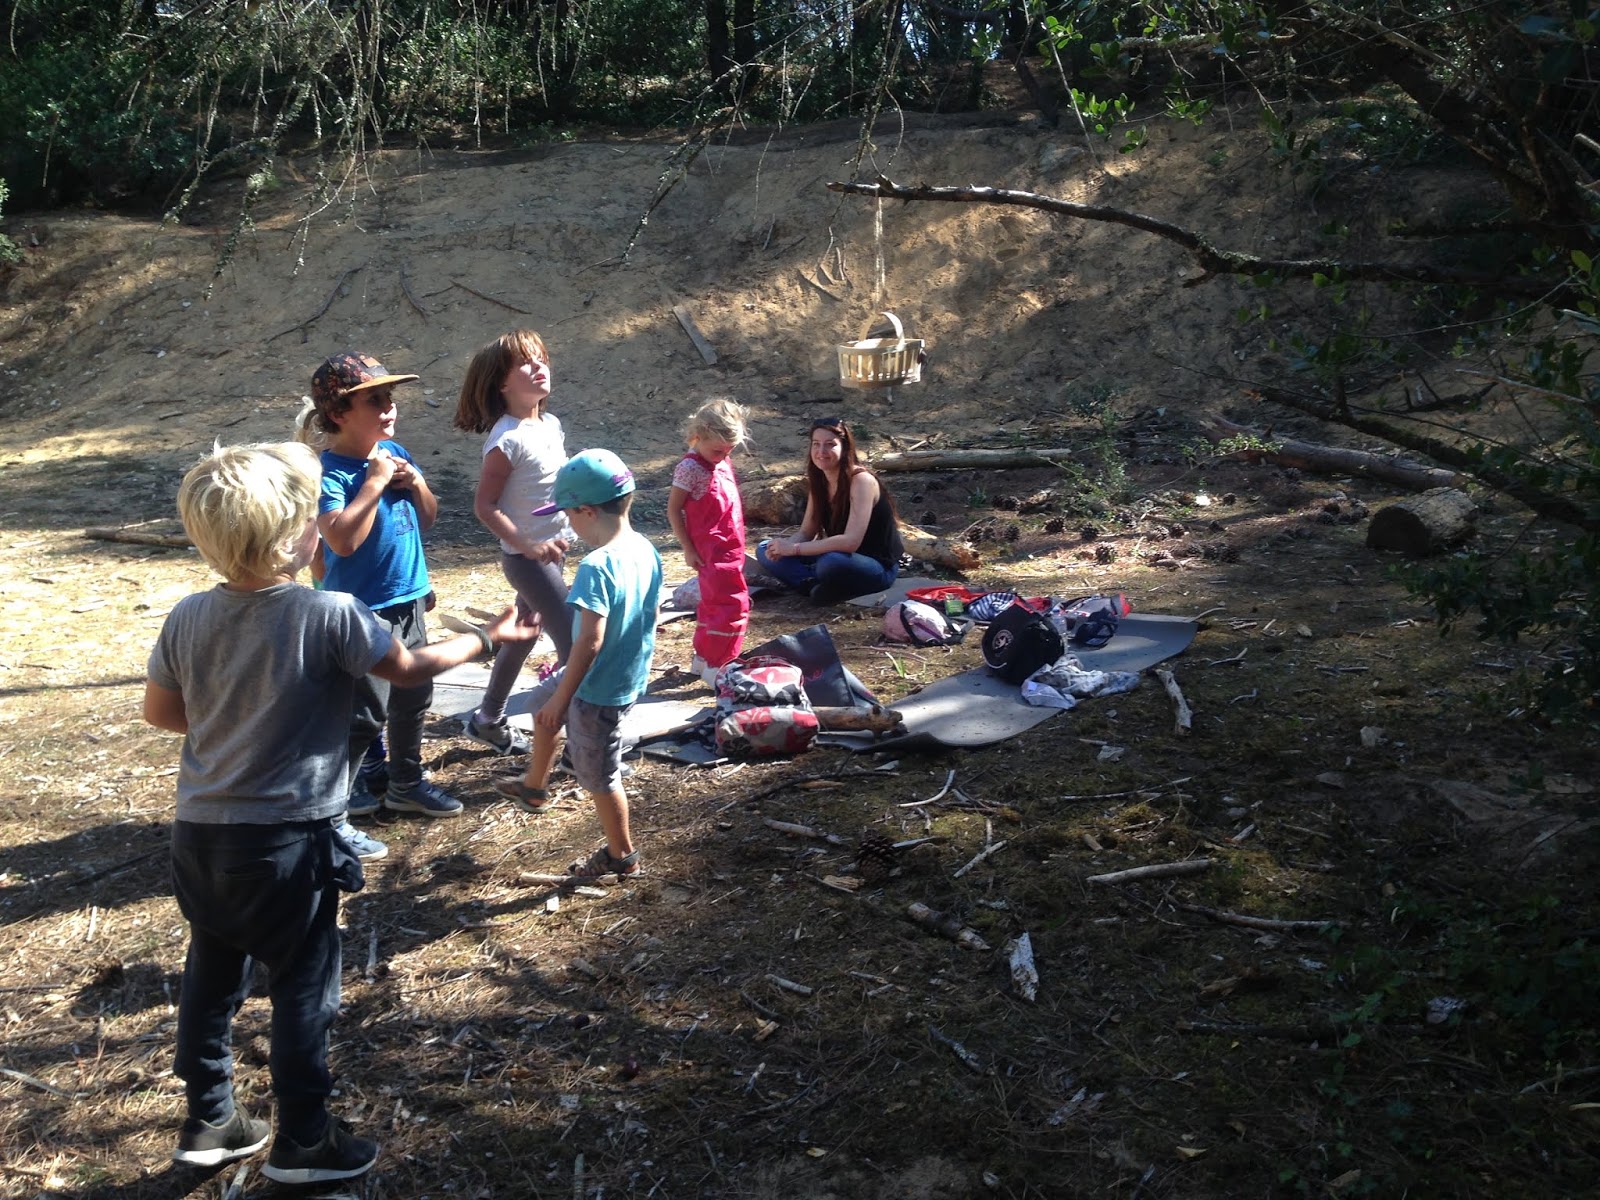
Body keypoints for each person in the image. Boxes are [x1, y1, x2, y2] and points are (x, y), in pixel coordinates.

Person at [144, 441, 534, 1183]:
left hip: (199, 837)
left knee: (212, 973)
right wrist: (488, 637)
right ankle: (305, 1140)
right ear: (295, 533)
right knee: (302, 984)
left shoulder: (187, 616)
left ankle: (209, 1119)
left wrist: (234, 718)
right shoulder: (329, 613)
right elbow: (409, 668)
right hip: (288, 845)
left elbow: (163, 714)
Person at [310, 352, 457, 853]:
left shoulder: (395, 453)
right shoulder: (331, 473)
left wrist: (416, 483)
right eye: (374, 400)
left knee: (414, 696)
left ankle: (405, 784)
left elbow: (428, 518)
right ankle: (335, 808)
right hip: (360, 611)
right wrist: (373, 483)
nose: (389, 407)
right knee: (364, 713)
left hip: (408, 597)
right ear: (338, 414)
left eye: (389, 397)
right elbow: (342, 541)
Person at [492, 449, 663, 879]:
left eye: (568, 514)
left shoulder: (597, 565)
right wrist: (557, 697)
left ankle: (622, 856)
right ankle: (534, 787)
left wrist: (563, 698)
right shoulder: (645, 549)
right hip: (613, 675)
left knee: (601, 777)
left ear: (587, 511)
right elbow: (648, 614)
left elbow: (589, 640)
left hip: (596, 689)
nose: (568, 524)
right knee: (539, 705)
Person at [452, 330, 572, 754]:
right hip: (527, 561)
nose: (540, 367)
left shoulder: (550, 425)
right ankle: (580, 747)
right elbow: (485, 506)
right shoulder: (506, 440)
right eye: (526, 362)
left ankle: (487, 720)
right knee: (575, 645)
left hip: (552, 554)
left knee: (523, 634)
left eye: (542, 358)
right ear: (501, 383)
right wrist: (528, 545)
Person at [295, 398, 389, 801]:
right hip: (341, 606)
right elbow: (324, 559)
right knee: (356, 703)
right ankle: (344, 788)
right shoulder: (320, 489)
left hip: (354, 603)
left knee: (369, 701)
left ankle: (373, 766)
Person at [756, 416, 903, 601]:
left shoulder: (861, 481)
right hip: (837, 555)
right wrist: (781, 549)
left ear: (845, 447)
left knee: (830, 562)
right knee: (764, 548)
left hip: (874, 565)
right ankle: (811, 585)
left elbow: (850, 542)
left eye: (830, 444)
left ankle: (814, 582)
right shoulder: (820, 481)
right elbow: (806, 533)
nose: (821, 452)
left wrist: (793, 549)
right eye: (816, 444)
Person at [666, 397, 749, 683]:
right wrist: (687, 548)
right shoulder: (690, 469)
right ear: (699, 435)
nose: (723, 455)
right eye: (718, 450)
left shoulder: (719, 460)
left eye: (729, 450)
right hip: (711, 551)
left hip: (730, 546)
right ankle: (718, 665)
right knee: (731, 605)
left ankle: (702, 659)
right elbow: (674, 509)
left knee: (714, 603)